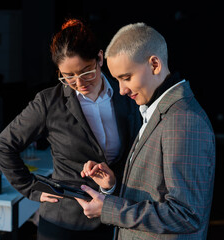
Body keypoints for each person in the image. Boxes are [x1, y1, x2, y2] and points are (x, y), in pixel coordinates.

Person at [0, 19, 141, 239]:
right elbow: (3, 146)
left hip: (114, 218)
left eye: (86, 72)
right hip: (63, 224)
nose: (79, 83)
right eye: (68, 77)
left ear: (100, 58)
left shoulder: (126, 94)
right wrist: (31, 188)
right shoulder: (49, 102)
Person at [76, 22, 216, 239]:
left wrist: (109, 209)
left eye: (126, 77)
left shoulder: (184, 120)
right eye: (117, 80)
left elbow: (186, 215)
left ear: (154, 64)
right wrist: (112, 186)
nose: (121, 90)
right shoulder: (159, 111)